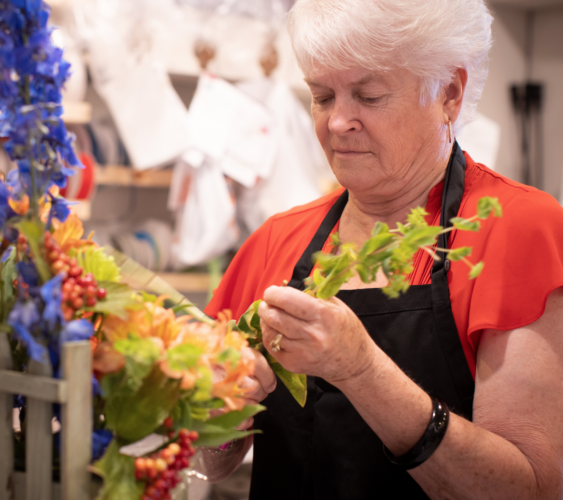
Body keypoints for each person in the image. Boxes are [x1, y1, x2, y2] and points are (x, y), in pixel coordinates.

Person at [201, 1, 563, 498]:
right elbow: (213, 461)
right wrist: (220, 413)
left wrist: (361, 371)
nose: (337, 122)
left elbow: (530, 490)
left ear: (449, 93)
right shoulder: (277, 239)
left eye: (368, 96)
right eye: (323, 96)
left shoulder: (519, 229)